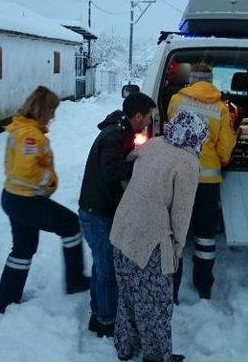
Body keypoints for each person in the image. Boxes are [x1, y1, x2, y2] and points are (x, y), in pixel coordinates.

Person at [110, 110, 208, 362]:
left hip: (122, 229)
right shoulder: (188, 163)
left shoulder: (154, 144)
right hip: (148, 242)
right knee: (155, 306)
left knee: (128, 296)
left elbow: (131, 156)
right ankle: (156, 357)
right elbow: (181, 214)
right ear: (195, 137)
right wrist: (176, 250)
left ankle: (125, 347)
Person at [0, 86, 89, 314]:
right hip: (25, 200)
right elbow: (26, 171)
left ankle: (5, 301)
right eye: (52, 110)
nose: (54, 115)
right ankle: (75, 280)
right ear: (43, 109)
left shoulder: (22, 128)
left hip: (14, 197)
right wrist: (49, 180)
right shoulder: (30, 136)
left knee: (24, 248)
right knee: (71, 225)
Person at [78, 92, 156, 337]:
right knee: (107, 269)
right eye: (148, 118)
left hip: (97, 210)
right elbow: (111, 172)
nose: (149, 123)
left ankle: (98, 313)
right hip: (96, 214)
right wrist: (139, 165)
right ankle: (106, 322)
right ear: (137, 116)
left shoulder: (120, 131)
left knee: (102, 267)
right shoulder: (115, 136)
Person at [167, 62, 237, 300]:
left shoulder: (176, 101)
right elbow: (225, 147)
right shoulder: (221, 108)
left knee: (175, 231)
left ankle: (171, 288)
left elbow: (171, 131)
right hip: (208, 182)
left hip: (180, 177)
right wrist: (223, 160)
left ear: (192, 79)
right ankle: (204, 285)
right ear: (211, 80)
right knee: (205, 235)